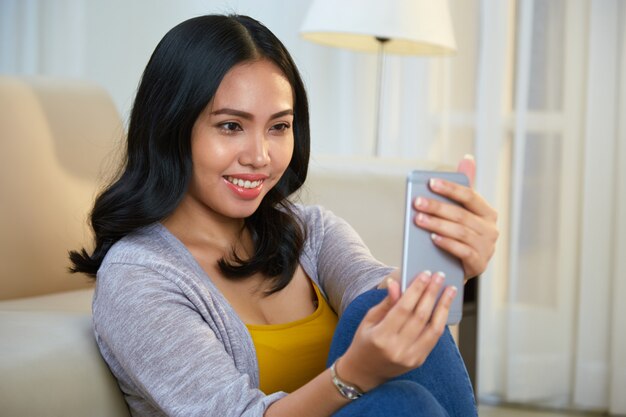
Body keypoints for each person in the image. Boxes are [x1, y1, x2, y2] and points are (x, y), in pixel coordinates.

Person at [70, 14, 498, 417]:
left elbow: (374, 287)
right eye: (230, 126)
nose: (260, 157)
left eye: (279, 127)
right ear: (171, 128)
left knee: (382, 304)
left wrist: (448, 265)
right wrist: (351, 377)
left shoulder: (310, 231)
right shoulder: (138, 275)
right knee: (403, 405)